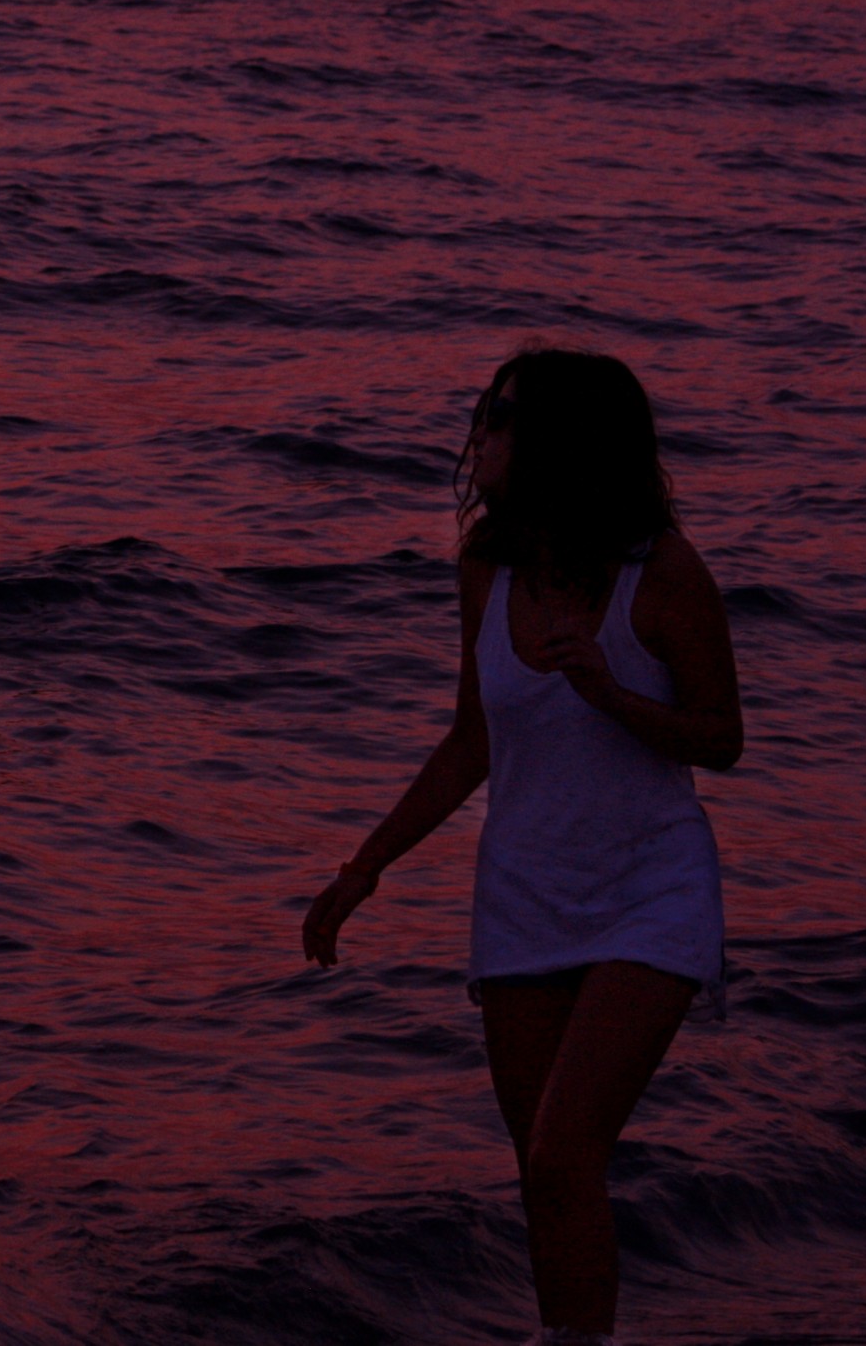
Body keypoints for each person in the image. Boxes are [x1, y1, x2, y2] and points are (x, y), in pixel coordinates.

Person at [300, 347, 742, 1346]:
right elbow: (472, 741)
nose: (481, 434)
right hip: (522, 897)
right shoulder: (486, 568)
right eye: (486, 413)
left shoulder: (662, 573)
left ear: (561, 440)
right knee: (540, 1173)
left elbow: (721, 738)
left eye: (501, 415)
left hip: (650, 893)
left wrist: (610, 694)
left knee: (560, 1152)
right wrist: (364, 867)